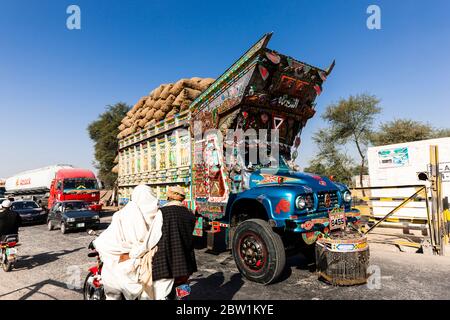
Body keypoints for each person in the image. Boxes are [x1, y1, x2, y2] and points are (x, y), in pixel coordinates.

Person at [93, 184, 164, 300]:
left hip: (126, 261)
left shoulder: (124, 213)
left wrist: (97, 242)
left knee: (111, 275)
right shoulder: (159, 215)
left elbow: (110, 236)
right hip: (152, 260)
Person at [151, 186, 197, 299]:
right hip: (185, 259)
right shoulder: (189, 213)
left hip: (166, 259)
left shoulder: (162, 212)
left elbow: (155, 236)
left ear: (169, 197)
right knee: (182, 287)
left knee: (164, 291)